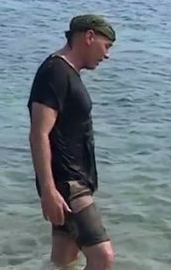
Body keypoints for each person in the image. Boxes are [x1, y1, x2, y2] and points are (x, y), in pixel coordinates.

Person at [28, 14, 117, 270]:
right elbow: (38, 133)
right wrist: (48, 190)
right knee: (103, 257)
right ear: (89, 37)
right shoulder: (55, 72)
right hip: (67, 185)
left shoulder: (66, 73)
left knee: (64, 261)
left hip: (71, 182)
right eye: (106, 46)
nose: (107, 55)